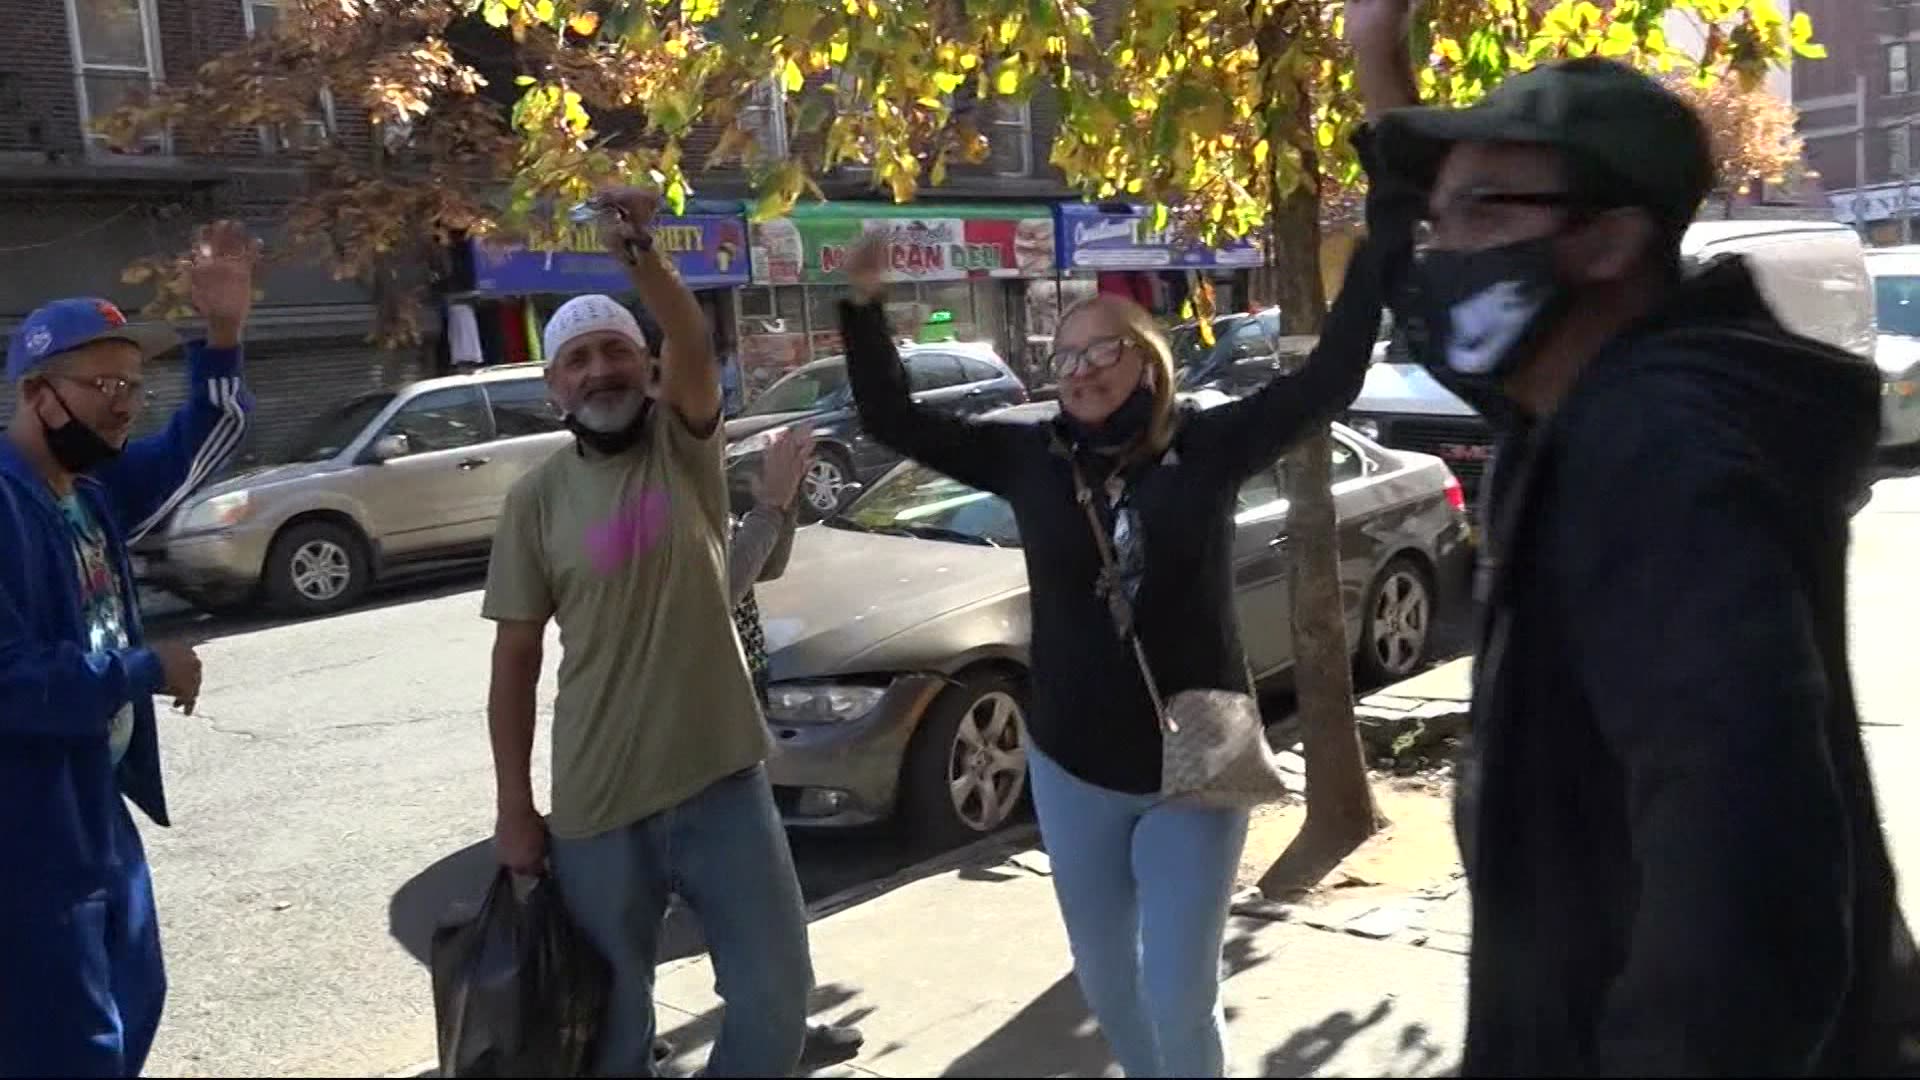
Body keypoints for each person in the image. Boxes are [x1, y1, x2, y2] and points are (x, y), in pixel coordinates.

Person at [1345, 0, 1920, 1074]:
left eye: (1476, 214)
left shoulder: (1660, 452)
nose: (1439, 251)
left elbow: (1752, 888)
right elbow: (1419, 270)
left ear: (1608, 240)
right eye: (1438, 218)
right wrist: (1377, 52)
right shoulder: (1566, 392)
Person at [837, 191, 1402, 1073]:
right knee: (1109, 988)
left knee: (1179, 995)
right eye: (1064, 355)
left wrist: (1375, 251)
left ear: (1145, 361)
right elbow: (892, 420)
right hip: (1073, 767)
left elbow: (1330, 379)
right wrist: (861, 308)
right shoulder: (1026, 458)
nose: (1080, 368)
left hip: (1197, 761)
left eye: (1101, 349)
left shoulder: (1210, 445)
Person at [482, 188, 813, 1078]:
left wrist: (640, 256)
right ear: (555, 385)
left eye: (617, 352)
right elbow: (514, 662)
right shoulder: (535, 501)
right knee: (612, 1031)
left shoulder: (684, 447)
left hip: (721, 782)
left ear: (648, 369)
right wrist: (516, 809)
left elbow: (696, 342)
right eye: (578, 359)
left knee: (777, 1002)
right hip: (597, 804)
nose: (600, 371)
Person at [0, 222, 257, 1076]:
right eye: (102, 382)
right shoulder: (5, 507)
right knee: (68, 1045)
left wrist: (221, 339)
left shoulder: (88, 493)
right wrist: (144, 669)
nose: (123, 401)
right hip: (27, 830)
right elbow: (8, 680)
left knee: (131, 1001)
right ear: (37, 392)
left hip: (95, 810)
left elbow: (197, 446)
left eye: (133, 385)